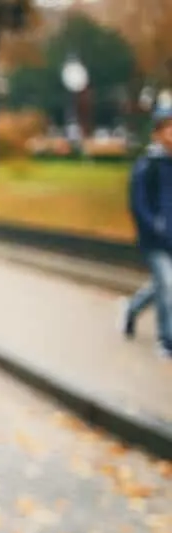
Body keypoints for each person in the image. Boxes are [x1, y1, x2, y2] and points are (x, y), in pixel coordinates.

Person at [120, 106, 172, 357]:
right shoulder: (148, 165)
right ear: (157, 133)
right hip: (155, 240)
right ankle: (167, 341)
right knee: (168, 284)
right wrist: (154, 225)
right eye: (169, 127)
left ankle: (132, 308)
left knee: (162, 286)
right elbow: (138, 203)